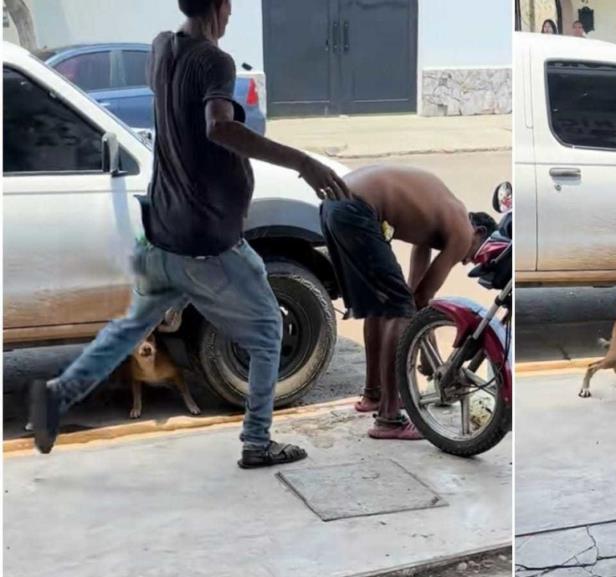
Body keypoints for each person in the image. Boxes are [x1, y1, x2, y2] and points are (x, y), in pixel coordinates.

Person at [29, 0, 350, 469]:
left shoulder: (161, 48)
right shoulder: (213, 60)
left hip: (162, 232)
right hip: (205, 241)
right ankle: (257, 442)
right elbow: (218, 126)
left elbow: (183, 118)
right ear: (220, 5)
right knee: (266, 330)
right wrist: (304, 162)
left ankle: (57, 399)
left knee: (130, 330)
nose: (232, 15)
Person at [320, 166, 497, 439]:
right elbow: (420, 300)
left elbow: (415, 296)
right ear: (479, 231)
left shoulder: (434, 220)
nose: (467, 262)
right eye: (476, 255)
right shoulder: (462, 229)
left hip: (333, 203)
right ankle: (389, 418)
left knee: (383, 303)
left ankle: (374, 394)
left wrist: (424, 350)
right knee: (395, 307)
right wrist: (432, 362)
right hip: (356, 208)